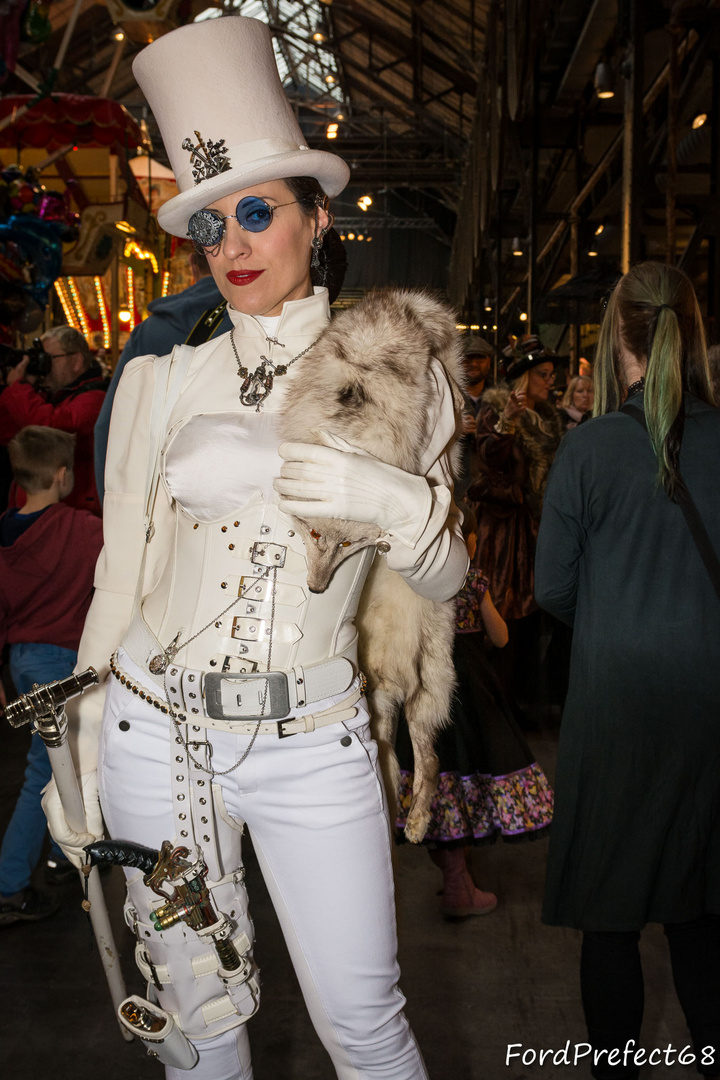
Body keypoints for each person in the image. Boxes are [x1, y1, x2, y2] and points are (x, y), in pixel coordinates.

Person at [42, 16, 467, 1080]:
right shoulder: (159, 378)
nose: (232, 246)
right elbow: (120, 574)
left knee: (365, 1024)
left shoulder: (404, 371)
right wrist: (82, 740)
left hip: (311, 741)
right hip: (156, 730)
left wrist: (401, 506)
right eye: (213, 226)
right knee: (199, 1029)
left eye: (257, 214)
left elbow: (445, 579)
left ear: (316, 219)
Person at [535, 261, 720, 1080]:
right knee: (703, 918)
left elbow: (553, 590)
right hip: (711, 708)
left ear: (617, 336)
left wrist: (619, 622)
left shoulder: (588, 449)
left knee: (610, 920)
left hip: (617, 707)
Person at [395, 504, 553, 919]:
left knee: (434, 781)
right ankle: (458, 886)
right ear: (466, 542)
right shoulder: (473, 581)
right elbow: (500, 638)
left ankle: (452, 875)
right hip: (469, 697)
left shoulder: (409, 583)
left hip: (421, 691)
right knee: (464, 778)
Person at [0, 427, 103, 924]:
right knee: (46, 771)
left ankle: (65, 857)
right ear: (63, 476)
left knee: (64, 762)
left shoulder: (3, 533)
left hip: (22, 662)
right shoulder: (82, 529)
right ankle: (9, 885)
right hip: (63, 665)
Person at [93, 248, 233, 503]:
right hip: (225, 492)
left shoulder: (148, 331)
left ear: (192, 265)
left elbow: (111, 423)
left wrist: (111, 506)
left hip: (155, 491)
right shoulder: (253, 321)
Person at [467, 334, 563, 622]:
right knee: (504, 605)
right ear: (524, 377)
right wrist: (506, 421)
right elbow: (489, 458)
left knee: (538, 606)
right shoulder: (497, 407)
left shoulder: (546, 416)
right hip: (503, 527)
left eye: (551, 375)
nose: (550, 381)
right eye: (543, 375)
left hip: (539, 521)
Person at [0, 326, 108, 516]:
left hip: (71, 514)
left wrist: (18, 388)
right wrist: (24, 388)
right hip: (42, 512)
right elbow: (10, 435)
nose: (45, 367)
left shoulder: (95, 397)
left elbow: (51, 429)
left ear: (76, 360)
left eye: (49, 359)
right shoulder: (52, 396)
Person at [457, 334, 494, 498]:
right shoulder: (446, 399)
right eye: (467, 359)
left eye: (479, 358)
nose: (473, 364)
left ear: (489, 362)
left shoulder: (503, 400)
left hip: (493, 494)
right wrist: (453, 428)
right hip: (460, 490)